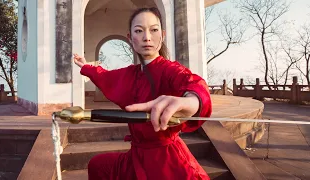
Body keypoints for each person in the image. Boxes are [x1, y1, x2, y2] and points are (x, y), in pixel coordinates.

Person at [73, 7, 212, 180]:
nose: (147, 37)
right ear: (130, 38)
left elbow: (195, 85)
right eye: (139, 31)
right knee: (98, 165)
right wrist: (87, 67)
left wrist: (192, 101)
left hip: (166, 158)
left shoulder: (170, 70)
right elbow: (106, 77)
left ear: (162, 35)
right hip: (137, 156)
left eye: (153, 30)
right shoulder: (131, 73)